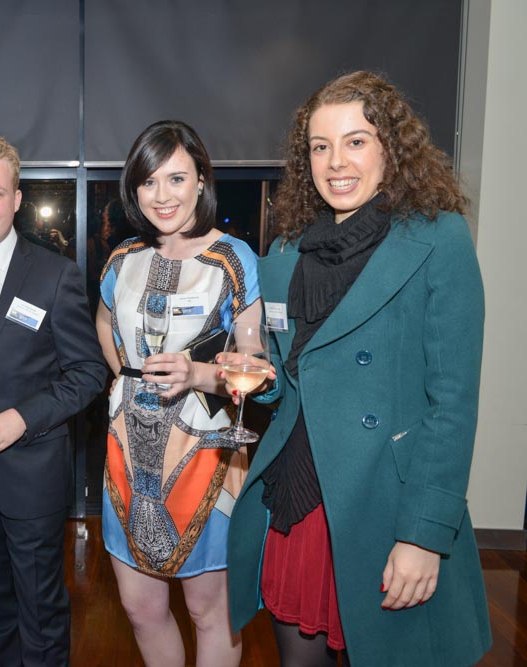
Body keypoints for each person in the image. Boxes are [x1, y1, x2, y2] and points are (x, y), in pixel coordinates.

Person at [226, 71, 492, 666]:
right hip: (299, 498)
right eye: (320, 146)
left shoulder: (438, 240)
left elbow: (453, 403)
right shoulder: (286, 253)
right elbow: (292, 385)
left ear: (391, 149)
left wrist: (424, 534)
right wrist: (259, 376)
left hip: (386, 506)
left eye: (356, 141)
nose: (336, 162)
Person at [0, 134, 106, 666]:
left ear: (17, 200)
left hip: (31, 475)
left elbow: (89, 372)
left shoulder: (55, 275)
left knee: (41, 611)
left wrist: (21, 419)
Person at [95, 120, 258, 667]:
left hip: (205, 448)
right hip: (126, 449)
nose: (161, 195)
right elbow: (103, 322)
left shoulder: (234, 259)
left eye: (176, 178)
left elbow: (256, 363)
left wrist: (197, 375)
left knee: (208, 612)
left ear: (201, 180)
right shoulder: (122, 258)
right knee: (140, 608)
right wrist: (125, 376)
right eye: (148, 181)